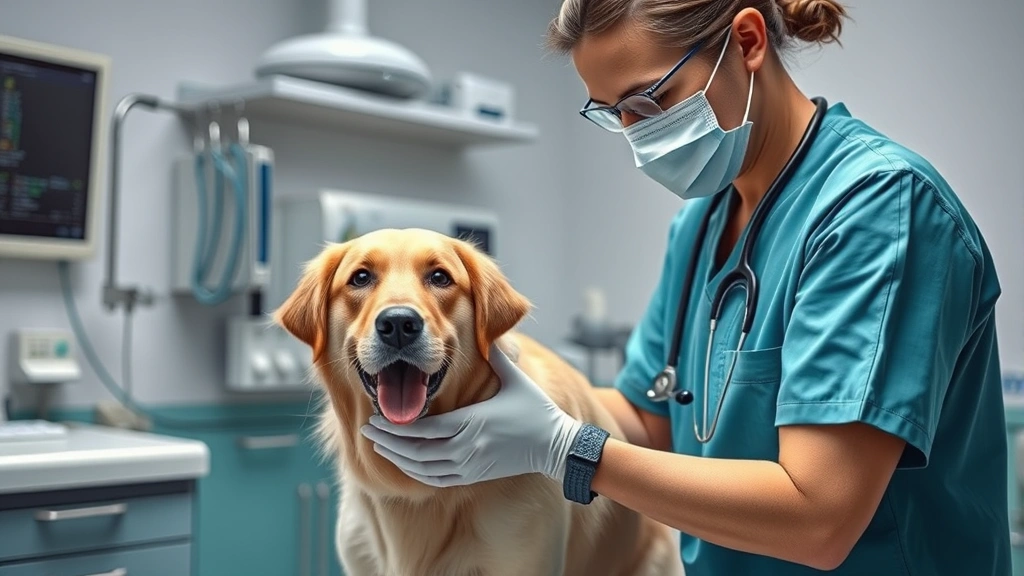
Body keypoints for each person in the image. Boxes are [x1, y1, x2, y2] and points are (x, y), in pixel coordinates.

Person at [359, 0, 1012, 573]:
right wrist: (500, 387)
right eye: (616, 114)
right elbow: (649, 418)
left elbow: (821, 518)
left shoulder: (878, 212)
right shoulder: (701, 225)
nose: (639, 136)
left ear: (749, 42)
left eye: (652, 101)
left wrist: (565, 447)